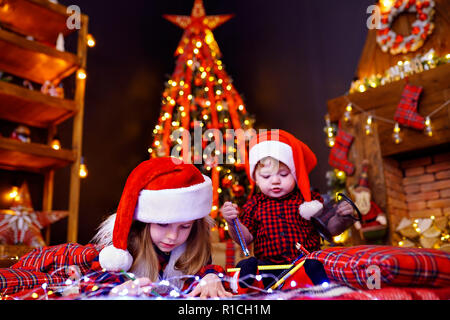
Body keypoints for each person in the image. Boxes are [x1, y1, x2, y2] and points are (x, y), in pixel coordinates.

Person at [2, 157, 231, 299]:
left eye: (185, 226)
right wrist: (112, 292)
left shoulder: (191, 247)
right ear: (146, 221)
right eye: (163, 224)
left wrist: (210, 276)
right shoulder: (120, 252)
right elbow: (95, 279)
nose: (173, 236)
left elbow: (201, 272)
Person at [220, 129, 353, 289]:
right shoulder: (253, 205)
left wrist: (341, 218)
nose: (275, 181)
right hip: (269, 269)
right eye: (266, 177)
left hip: (304, 266)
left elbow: (330, 230)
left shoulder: (309, 200)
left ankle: (324, 290)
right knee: (249, 265)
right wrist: (232, 222)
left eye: (283, 174)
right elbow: (245, 239)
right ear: (255, 178)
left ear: (295, 173)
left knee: (316, 267)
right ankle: (243, 283)